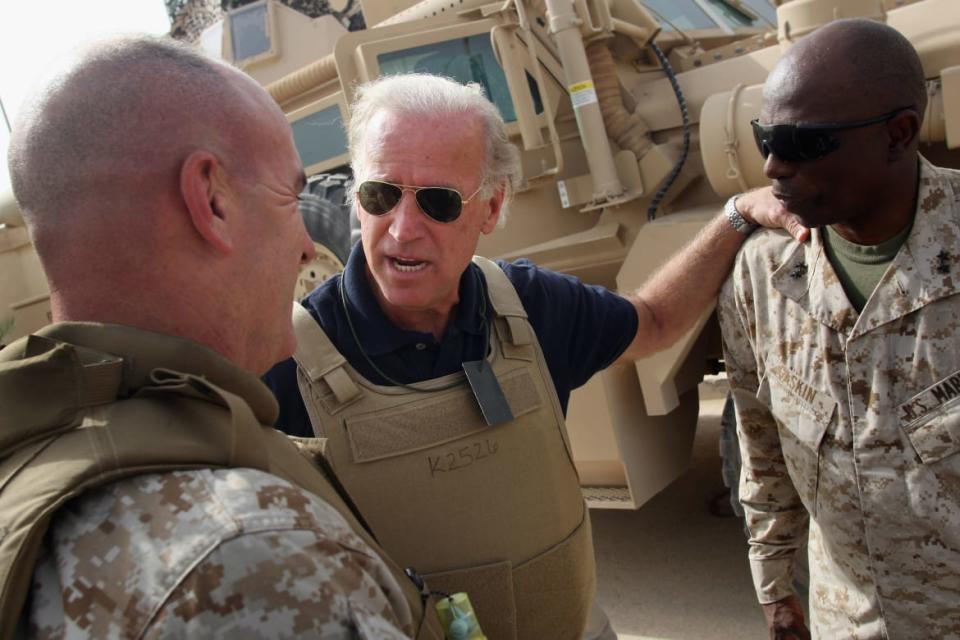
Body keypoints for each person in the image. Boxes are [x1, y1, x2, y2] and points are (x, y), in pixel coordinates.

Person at [264, 73, 805, 639]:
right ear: (355, 197)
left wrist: (736, 214)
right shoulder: (288, 362)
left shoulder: (528, 307)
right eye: (381, 195)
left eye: (438, 203)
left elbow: (654, 321)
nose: (402, 229)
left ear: (492, 208)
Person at [0, 37, 444, 639]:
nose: (308, 246)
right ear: (212, 200)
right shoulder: (248, 563)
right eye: (291, 198)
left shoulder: (34, 442)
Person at [718, 18, 960, 639]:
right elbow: (761, 445)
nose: (773, 165)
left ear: (898, 134)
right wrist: (774, 588)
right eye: (767, 136)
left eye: (805, 142)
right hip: (847, 623)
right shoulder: (764, 274)